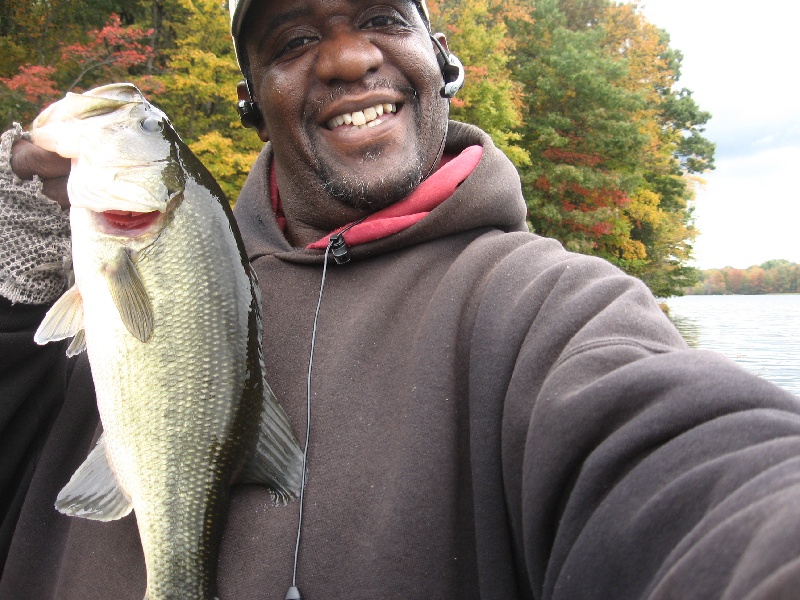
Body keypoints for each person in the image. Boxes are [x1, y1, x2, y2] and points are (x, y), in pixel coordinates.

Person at [2, 0, 800, 598]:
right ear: (252, 99)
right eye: (297, 39)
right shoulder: (99, 294)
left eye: (382, 15)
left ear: (442, 58)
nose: (349, 59)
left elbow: (695, 468)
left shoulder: (547, 307)